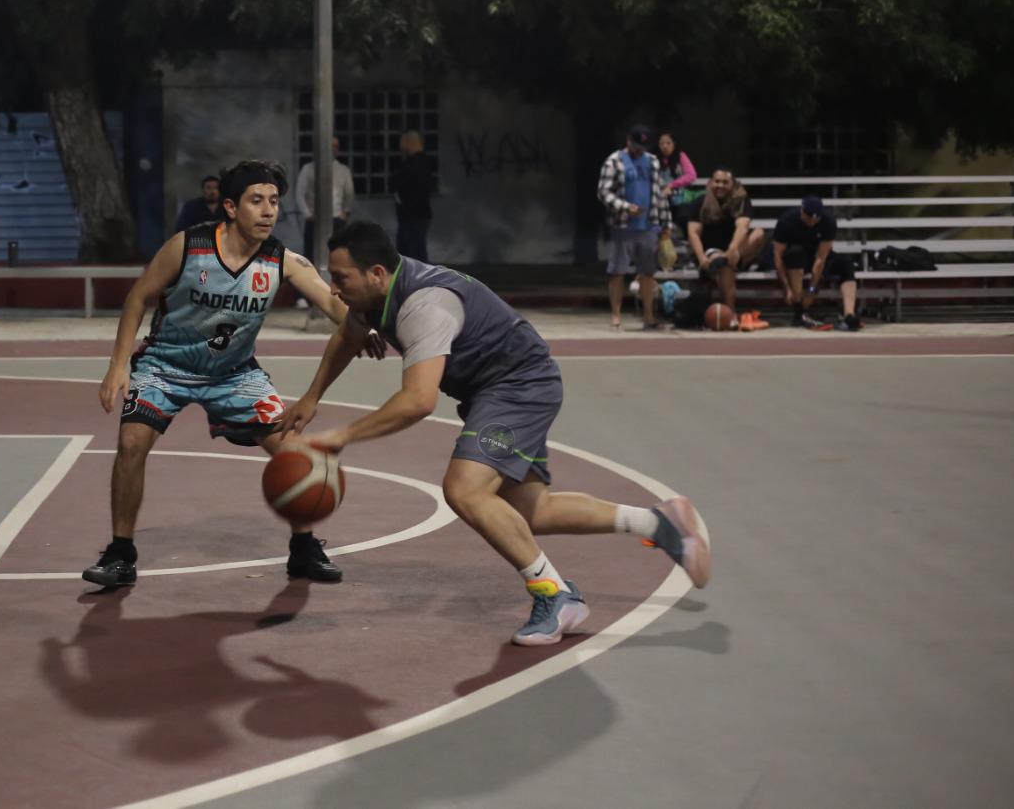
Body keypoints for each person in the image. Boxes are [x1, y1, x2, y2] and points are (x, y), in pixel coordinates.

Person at [291, 221, 711, 646]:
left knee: (464, 490)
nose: (334, 289)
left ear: (376, 273)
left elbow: (418, 400)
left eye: (341, 278)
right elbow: (349, 334)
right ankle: (659, 524)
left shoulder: (425, 306)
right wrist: (311, 398)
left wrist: (340, 436)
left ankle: (555, 594)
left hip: (518, 385)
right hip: (497, 388)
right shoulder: (375, 294)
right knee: (529, 514)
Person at [83, 159, 381, 589]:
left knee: (293, 450)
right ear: (230, 206)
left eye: (274, 202)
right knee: (131, 442)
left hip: (234, 373)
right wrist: (117, 366)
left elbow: (332, 303)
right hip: (165, 365)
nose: (268, 211)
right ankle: (120, 553)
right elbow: (138, 298)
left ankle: (304, 549)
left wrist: (361, 324)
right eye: (256, 201)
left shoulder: (282, 260)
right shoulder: (187, 246)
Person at [595, 126, 671, 330]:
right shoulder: (614, 161)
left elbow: (659, 193)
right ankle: (616, 315)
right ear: (628, 141)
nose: (639, 149)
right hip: (623, 225)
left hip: (649, 224)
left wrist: (665, 223)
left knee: (647, 273)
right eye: (636, 145)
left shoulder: (653, 161)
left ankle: (648, 316)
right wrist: (625, 207)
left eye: (642, 146)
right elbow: (603, 192)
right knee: (617, 271)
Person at [686, 166, 768, 330]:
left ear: (733, 184)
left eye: (725, 182)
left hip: (735, 251)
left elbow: (743, 227)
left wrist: (732, 250)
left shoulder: (741, 200)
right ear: (710, 183)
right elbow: (693, 233)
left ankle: (724, 260)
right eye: (717, 181)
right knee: (725, 267)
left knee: (758, 233)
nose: (720, 185)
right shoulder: (700, 202)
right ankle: (731, 312)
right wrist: (702, 258)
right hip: (709, 252)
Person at [772, 195, 862, 331]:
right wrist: (787, 288)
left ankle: (849, 315)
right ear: (802, 211)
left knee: (846, 264)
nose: (812, 221)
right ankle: (799, 311)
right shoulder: (786, 221)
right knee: (795, 253)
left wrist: (811, 291)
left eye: (816, 218)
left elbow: (821, 259)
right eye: (809, 217)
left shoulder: (828, 221)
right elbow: (777, 257)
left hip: (816, 258)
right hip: (794, 259)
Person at [295, 135, 355, 260]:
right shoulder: (308, 168)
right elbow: (300, 193)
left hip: (337, 220)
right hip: (314, 220)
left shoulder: (343, 170)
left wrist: (345, 212)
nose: (333, 149)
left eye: (336, 146)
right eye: (330, 146)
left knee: (338, 256)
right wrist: (307, 215)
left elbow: (349, 193)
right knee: (311, 257)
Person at [392, 130, 435, 262]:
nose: (400, 147)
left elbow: (408, 186)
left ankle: (420, 281)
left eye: (402, 142)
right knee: (410, 252)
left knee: (414, 253)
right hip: (412, 215)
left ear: (409, 143)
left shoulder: (416, 164)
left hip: (413, 215)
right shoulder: (420, 162)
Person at [657, 131, 698, 206]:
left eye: (668, 143)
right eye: (661, 144)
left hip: (679, 199)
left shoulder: (680, 156)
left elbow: (691, 175)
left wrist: (671, 185)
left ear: (674, 144)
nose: (664, 146)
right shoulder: (655, 159)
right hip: (661, 200)